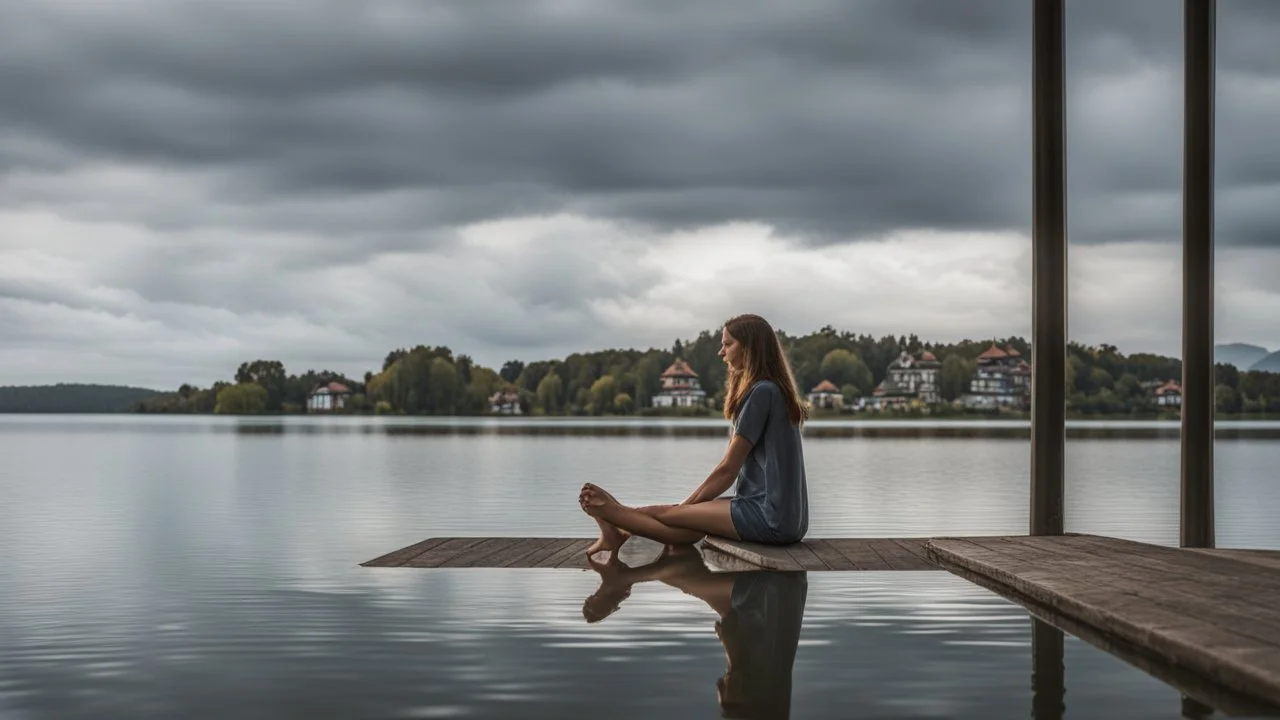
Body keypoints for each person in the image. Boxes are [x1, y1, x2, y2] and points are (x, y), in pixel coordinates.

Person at [579, 313, 809, 554]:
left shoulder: (763, 392)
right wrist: (684, 513)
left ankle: (612, 515)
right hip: (788, 521)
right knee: (689, 529)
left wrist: (680, 510)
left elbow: (727, 471)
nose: (721, 352)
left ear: (750, 348)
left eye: (728, 344)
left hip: (768, 516)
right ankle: (615, 531)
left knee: (669, 514)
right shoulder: (775, 390)